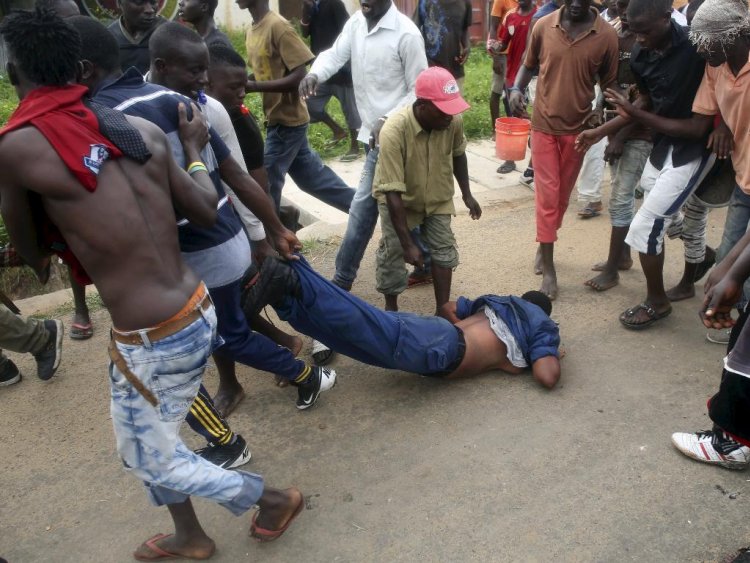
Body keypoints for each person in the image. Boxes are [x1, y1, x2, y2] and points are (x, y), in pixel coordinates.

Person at [0, 9, 303, 559]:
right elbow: (207, 211)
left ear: (14, 71)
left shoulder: (18, 146)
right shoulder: (134, 130)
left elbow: (33, 256)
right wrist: (192, 152)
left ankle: (272, 499)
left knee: (147, 452)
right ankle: (189, 534)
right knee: (143, 438)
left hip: (154, 331)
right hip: (192, 306)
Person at [147, 22, 337, 415]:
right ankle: (278, 355)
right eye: (195, 72)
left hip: (215, 239)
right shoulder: (143, 107)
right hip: (176, 245)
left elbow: (241, 180)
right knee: (223, 322)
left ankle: (292, 370)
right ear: (161, 67)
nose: (202, 81)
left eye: (204, 73)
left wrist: (267, 234)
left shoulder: (204, 110)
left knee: (224, 327)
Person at [575, 0, 716, 329]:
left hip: (695, 146)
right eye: (633, 31)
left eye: (646, 31)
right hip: (664, 143)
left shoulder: (696, 47)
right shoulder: (640, 53)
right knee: (661, 207)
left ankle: (657, 302)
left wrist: (722, 126)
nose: (638, 39)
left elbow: (699, 120)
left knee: (645, 227)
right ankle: (702, 252)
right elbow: (644, 101)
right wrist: (601, 132)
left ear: (668, 18)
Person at [655, 0, 750, 466]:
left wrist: (732, 274)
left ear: (732, 34)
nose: (698, 48)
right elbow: (706, 114)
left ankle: (733, 435)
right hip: (745, 180)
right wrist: (722, 129)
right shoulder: (717, 67)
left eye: (705, 39)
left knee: (732, 275)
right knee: (727, 266)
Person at [243, 256, 562, 388]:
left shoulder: (500, 303)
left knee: (351, 333)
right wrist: (550, 353)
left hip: (438, 335)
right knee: (354, 323)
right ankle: (292, 279)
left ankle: (285, 293)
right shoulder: (539, 327)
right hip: (440, 349)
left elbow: (449, 307)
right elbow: (547, 377)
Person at [298, 0, 428, 293]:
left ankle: (341, 283)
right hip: (372, 137)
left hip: (399, 139)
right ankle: (429, 261)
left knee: (362, 211)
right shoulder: (356, 24)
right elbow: (334, 54)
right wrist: (314, 73)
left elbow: (419, 91)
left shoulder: (406, 35)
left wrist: (387, 118)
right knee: (393, 210)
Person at [509, 0, 619, 300]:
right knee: (547, 195)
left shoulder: (606, 35)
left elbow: (609, 84)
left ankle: (543, 244)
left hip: (578, 131)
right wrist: (517, 89)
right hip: (543, 125)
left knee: (560, 199)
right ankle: (549, 266)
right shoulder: (543, 26)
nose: (574, 4)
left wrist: (599, 110)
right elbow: (528, 66)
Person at [373, 66, 481, 313]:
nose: (449, 116)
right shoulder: (394, 131)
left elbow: (458, 155)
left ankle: (443, 309)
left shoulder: (452, 121)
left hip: (437, 196)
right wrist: (407, 242)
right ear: (422, 104)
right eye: (443, 110)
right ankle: (391, 309)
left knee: (444, 249)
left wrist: (467, 194)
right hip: (401, 199)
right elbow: (391, 191)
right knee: (394, 251)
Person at [239, 0, 355, 214]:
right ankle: (366, 207)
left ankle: (273, 239)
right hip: (277, 119)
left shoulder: (278, 27)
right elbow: (265, 71)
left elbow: (299, 75)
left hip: (287, 121)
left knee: (267, 182)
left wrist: (254, 86)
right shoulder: (252, 30)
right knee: (314, 181)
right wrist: (241, 83)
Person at [582, 0, 653, 291]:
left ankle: (612, 270)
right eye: (619, 5)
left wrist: (620, 136)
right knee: (620, 194)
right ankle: (622, 256)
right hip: (615, 127)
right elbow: (609, 81)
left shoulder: (647, 40)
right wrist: (599, 107)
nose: (623, 11)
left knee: (622, 198)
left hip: (639, 131)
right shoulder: (616, 34)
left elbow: (646, 97)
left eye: (628, 6)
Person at [300, 0, 361, 161]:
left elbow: (347, 32)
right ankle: (337, 131)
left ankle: (355, 147)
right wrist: (306, 11)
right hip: (321, 70)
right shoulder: (311, 6)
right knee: (309, 104)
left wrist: (349, 63)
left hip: (342, 71)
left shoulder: (334, 3)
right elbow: (304, 33)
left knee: (351, 112)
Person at [489, 0, 536, 174]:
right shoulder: (510, 16)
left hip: (534, 76)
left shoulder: (539, 17)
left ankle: (535, 161)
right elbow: (503, 42)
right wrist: (496, 47)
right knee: (513, 117)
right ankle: (510, 159)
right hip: (512, 76)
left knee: (535, 116)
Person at [414, 0, 473, 90]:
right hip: (429, 72)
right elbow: (414, 30)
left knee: (454, 103)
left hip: (454, 72)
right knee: (430, 104)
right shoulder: (424, 2)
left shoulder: (465, 2)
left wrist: (467, 46)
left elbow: (464, 28)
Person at [488, 0, 517, 171]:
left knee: (514, 104)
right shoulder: (501, 1)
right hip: (504, 54)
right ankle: (497, 132)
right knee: (498, 94)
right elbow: (493, 27)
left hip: (522, 56)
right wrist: (496, 54)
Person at [108, 0, 165, 75]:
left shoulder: (170, 35)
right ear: (119, 3)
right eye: (139, 2)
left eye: (153, 2)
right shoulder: (108, 39)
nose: (150, 10)